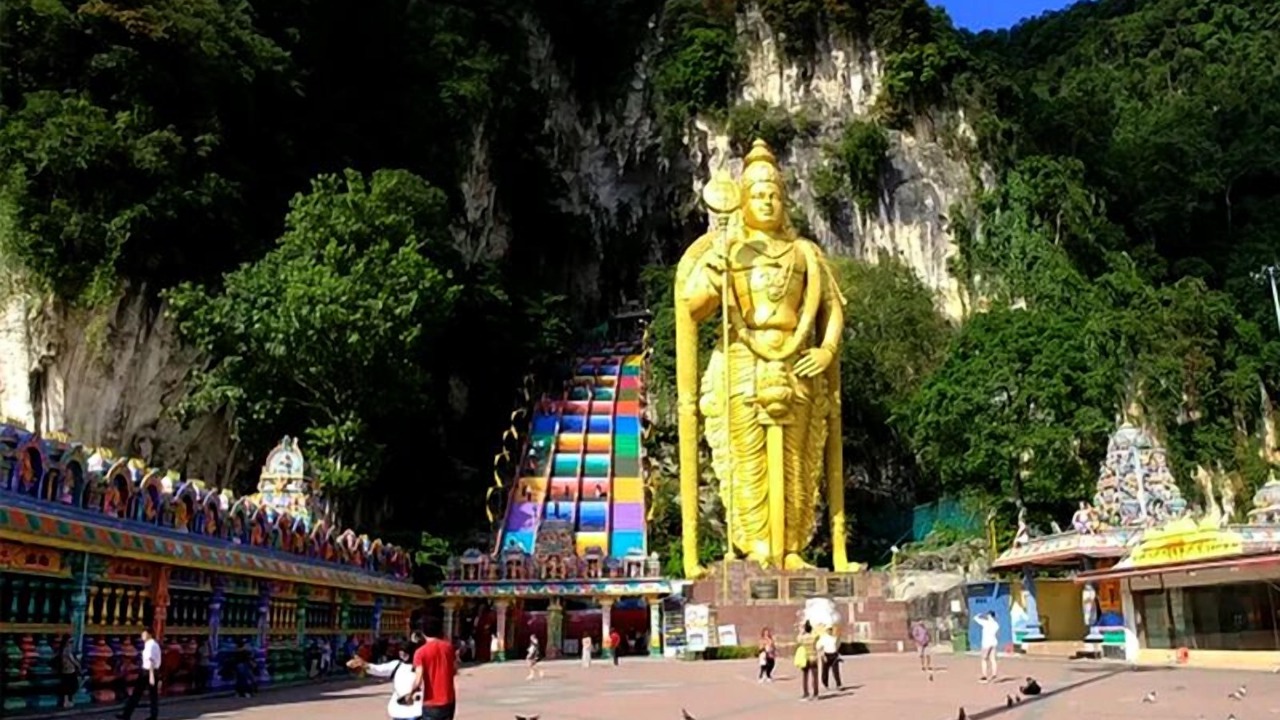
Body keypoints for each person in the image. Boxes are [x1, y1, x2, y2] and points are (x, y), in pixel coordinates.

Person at [348, 638, 422, 720]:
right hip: (399, 709)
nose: (403, 656)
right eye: (401, 654)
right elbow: (379, 669)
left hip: (416, 708)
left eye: (405, 654)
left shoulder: (421, 667)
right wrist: (364, 664)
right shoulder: (397, 665)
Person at [412, 625, 456, 720]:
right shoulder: (448, 647)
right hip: (449, 698)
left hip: (431, 701)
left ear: (423, 633)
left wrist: (410, 694)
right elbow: (454, 670)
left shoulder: (420, 652)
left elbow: (418, 680)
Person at [117, 628, 161, 720]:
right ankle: (128, 714)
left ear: (149, 634)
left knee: (140, 694)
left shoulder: (151, 645)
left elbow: (151, 660)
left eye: (144, 634)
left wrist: (151, 675)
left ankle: (127, 714)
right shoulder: (152, 644)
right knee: (149, 695)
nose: (142, 636)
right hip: (148, 671)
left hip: (148, 671)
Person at [794, 621, 819, 701]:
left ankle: (806, 693)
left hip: (805, 658)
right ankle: (816, 694)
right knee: (815, 677)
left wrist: (801, 631)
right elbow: (818, 636)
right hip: (813, 658)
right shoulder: (813, 637)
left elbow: (798, 640)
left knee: (805, 677)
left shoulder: (803, 638)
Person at [975, 612, 1001, 683]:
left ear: (989, 616)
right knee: (993, 659)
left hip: (986, 643)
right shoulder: (996, 624)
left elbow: (976, 618)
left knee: (984, 659)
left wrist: (979, 614)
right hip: (994, 642)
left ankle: (984, 676)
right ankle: (994, 674)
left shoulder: (986, 623)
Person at [57, 634, 80, 708]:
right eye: (70, 642)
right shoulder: (66, 649)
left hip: (66, 669)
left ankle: (67, 701)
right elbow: (72, 659)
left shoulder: (62, 649)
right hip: (69, 670)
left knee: (66, 686)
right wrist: (78, 665)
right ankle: (66, 701)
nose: (71, 644)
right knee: (70, 686)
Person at [818, 626, 842, 691]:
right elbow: (819, 648)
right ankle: (825, 684)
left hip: (834, 655)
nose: (830, 631)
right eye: (828, 630)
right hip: (826, 655)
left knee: (836, 671)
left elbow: (837, 647)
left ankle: (838, 685)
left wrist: (838, 655)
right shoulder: (823, 638)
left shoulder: (834, 638)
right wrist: (823, 655)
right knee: (825, 671)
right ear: (826, 631)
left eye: (831, 630)